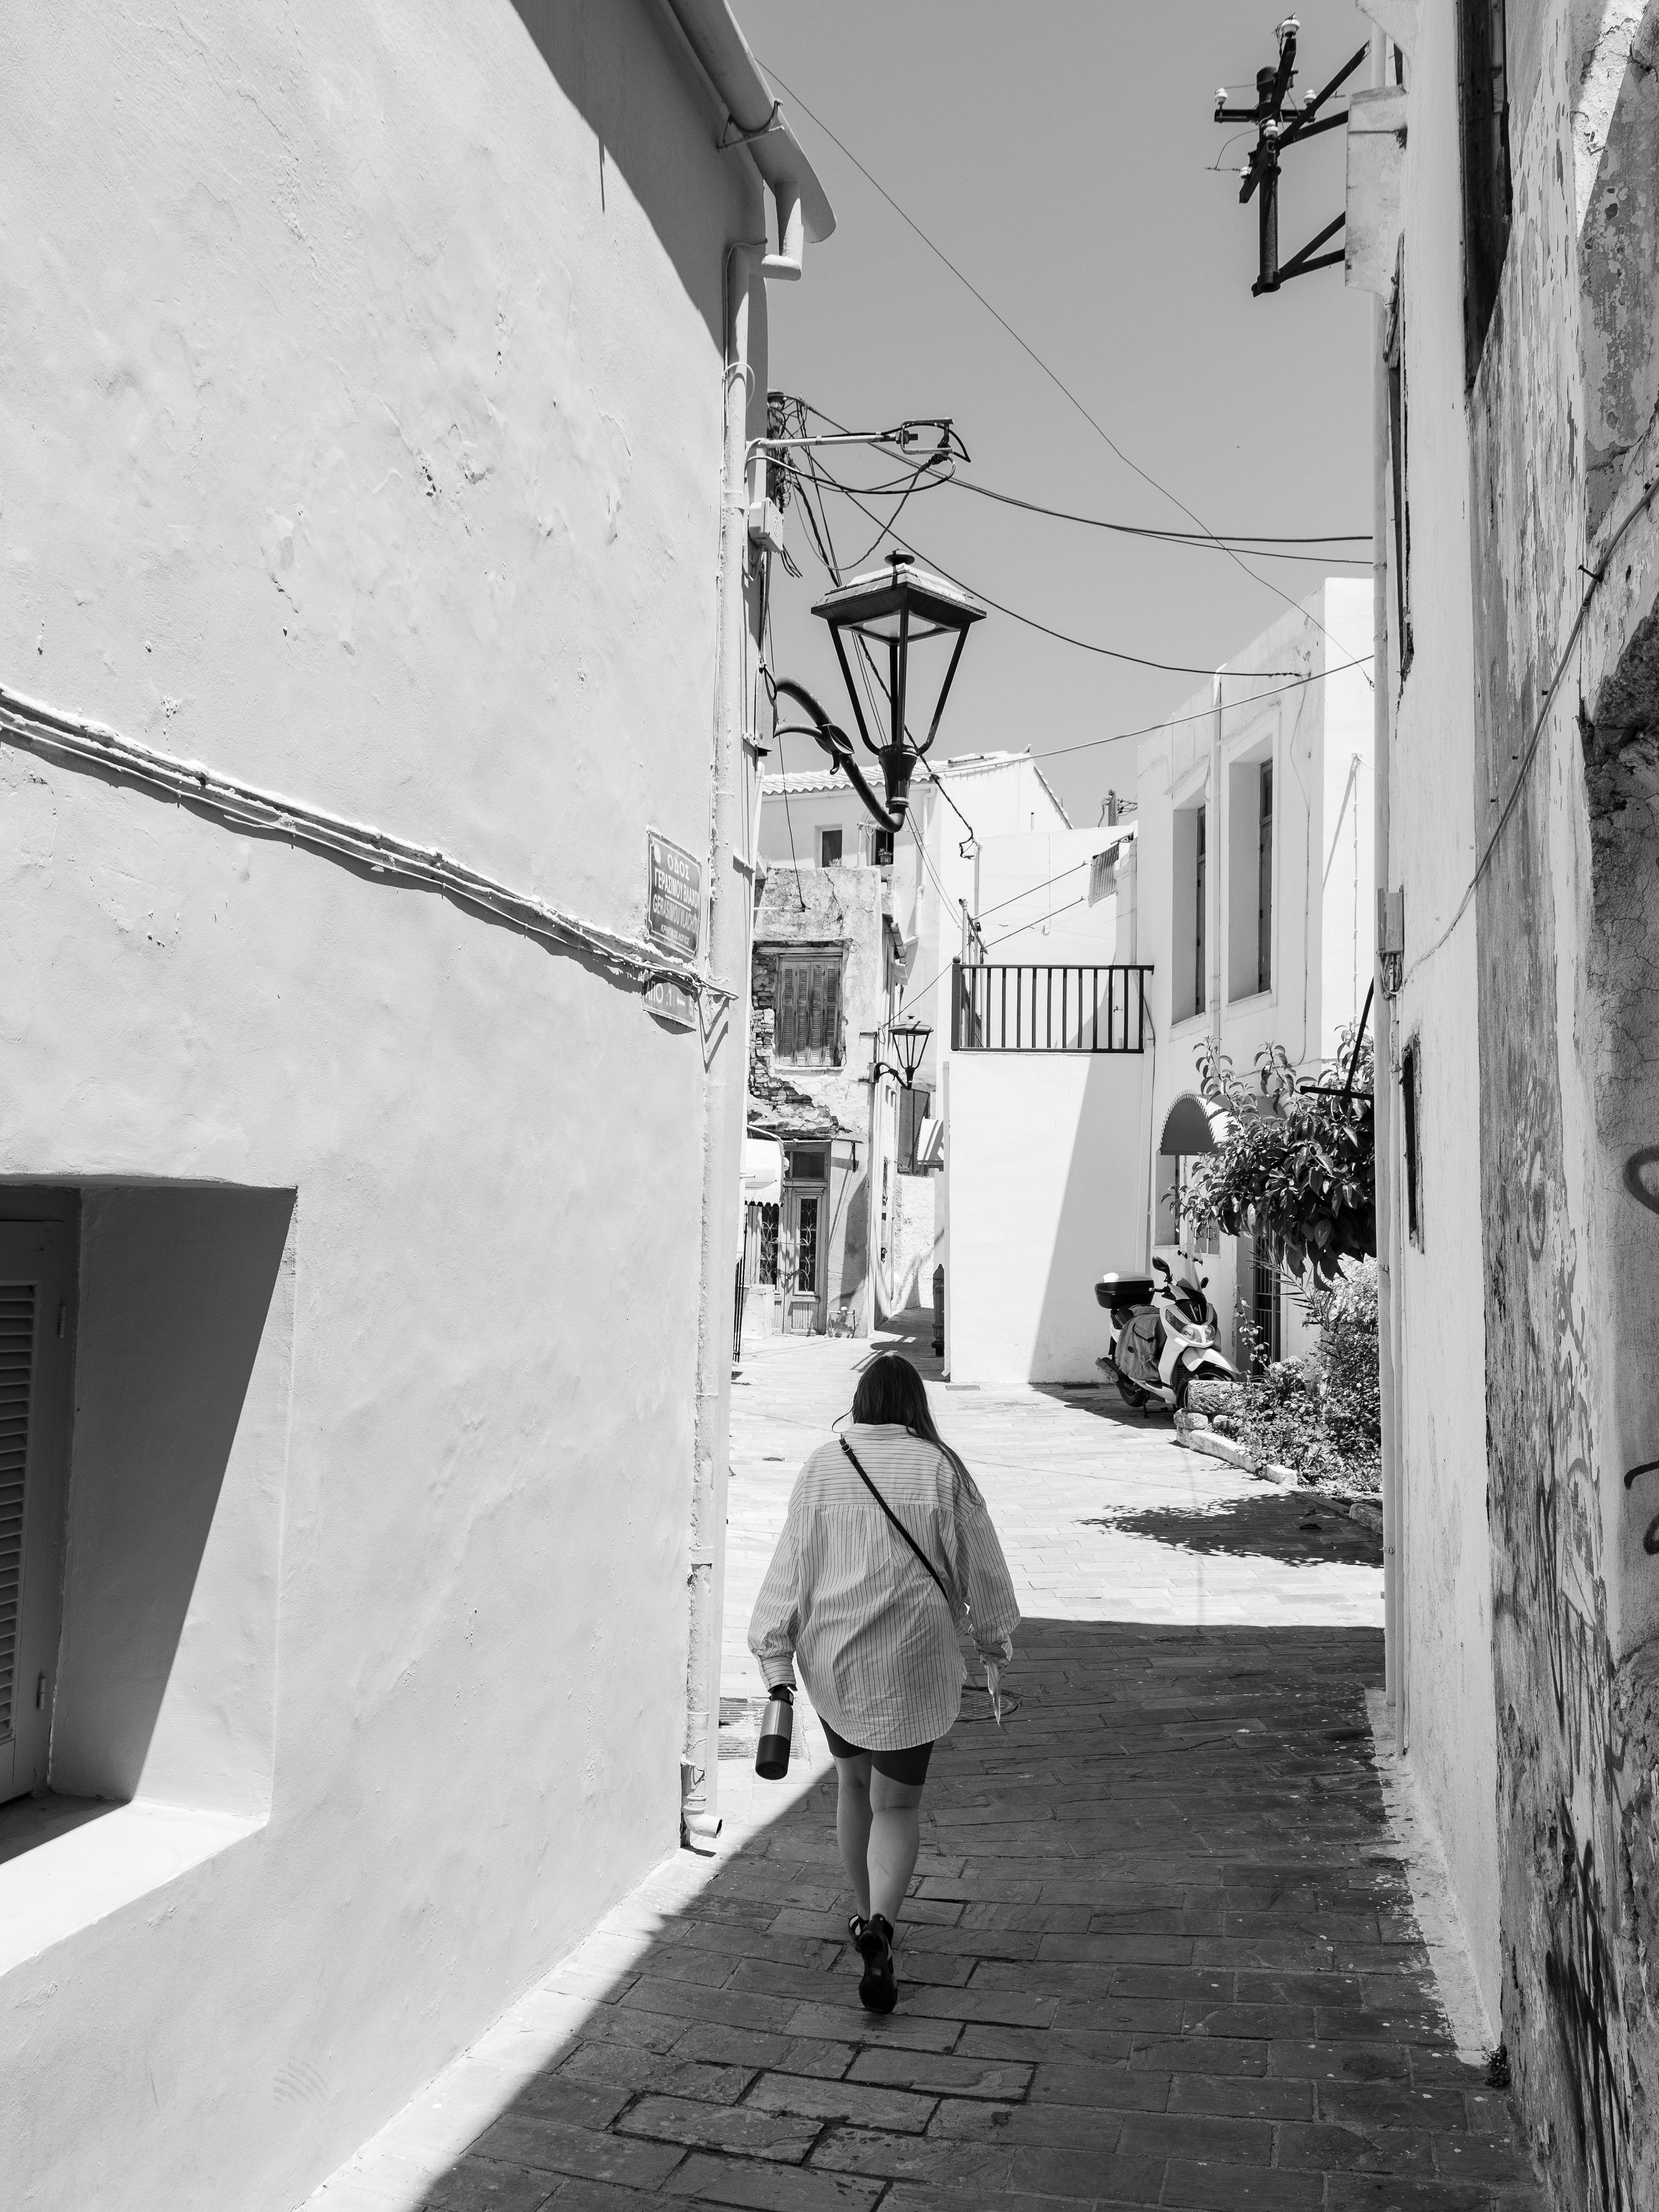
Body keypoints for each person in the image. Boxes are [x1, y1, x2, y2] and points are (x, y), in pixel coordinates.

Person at [748, 1350, 1019, 2014]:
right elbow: (981, 1565)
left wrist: (774, 1655)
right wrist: (992, 1640)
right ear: (913, 1407)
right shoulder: (940, 1467)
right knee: (897, 1805)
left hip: (835, 1653)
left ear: (862, 1404)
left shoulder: (820, 1468)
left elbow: (792, 1566)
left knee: (852, 1785)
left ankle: (863, 1915)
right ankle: (884, 1931)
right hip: (914, 1654)